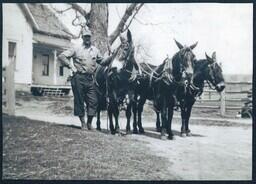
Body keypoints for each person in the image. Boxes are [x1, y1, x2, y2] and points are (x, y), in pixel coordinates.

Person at [58, 29, 112, 130]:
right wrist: (70, 66)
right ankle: (83, 123)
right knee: (79, 101)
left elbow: (103, 62)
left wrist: (111, 57)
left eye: (89, 37)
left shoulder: (95, 50)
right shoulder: (76, 48)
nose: (87, 38)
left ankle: (89, 123)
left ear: (91, 38)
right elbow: (62, 56)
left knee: (94, 101)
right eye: (85, 36)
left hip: (90, 79)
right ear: (82, 38)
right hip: (78, 78)